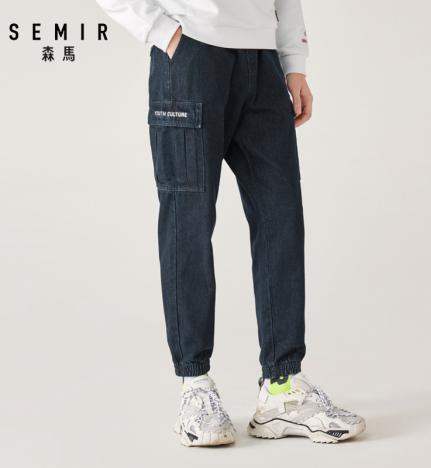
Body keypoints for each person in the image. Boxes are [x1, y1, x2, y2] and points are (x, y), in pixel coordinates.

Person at [96, 0, 365, 446]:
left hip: (263, 60)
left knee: (281, 217)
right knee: (189, 223)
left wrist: (293, 61)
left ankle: (281, 390)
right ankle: (195, 386)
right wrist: (162, 32)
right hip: (190, 56)